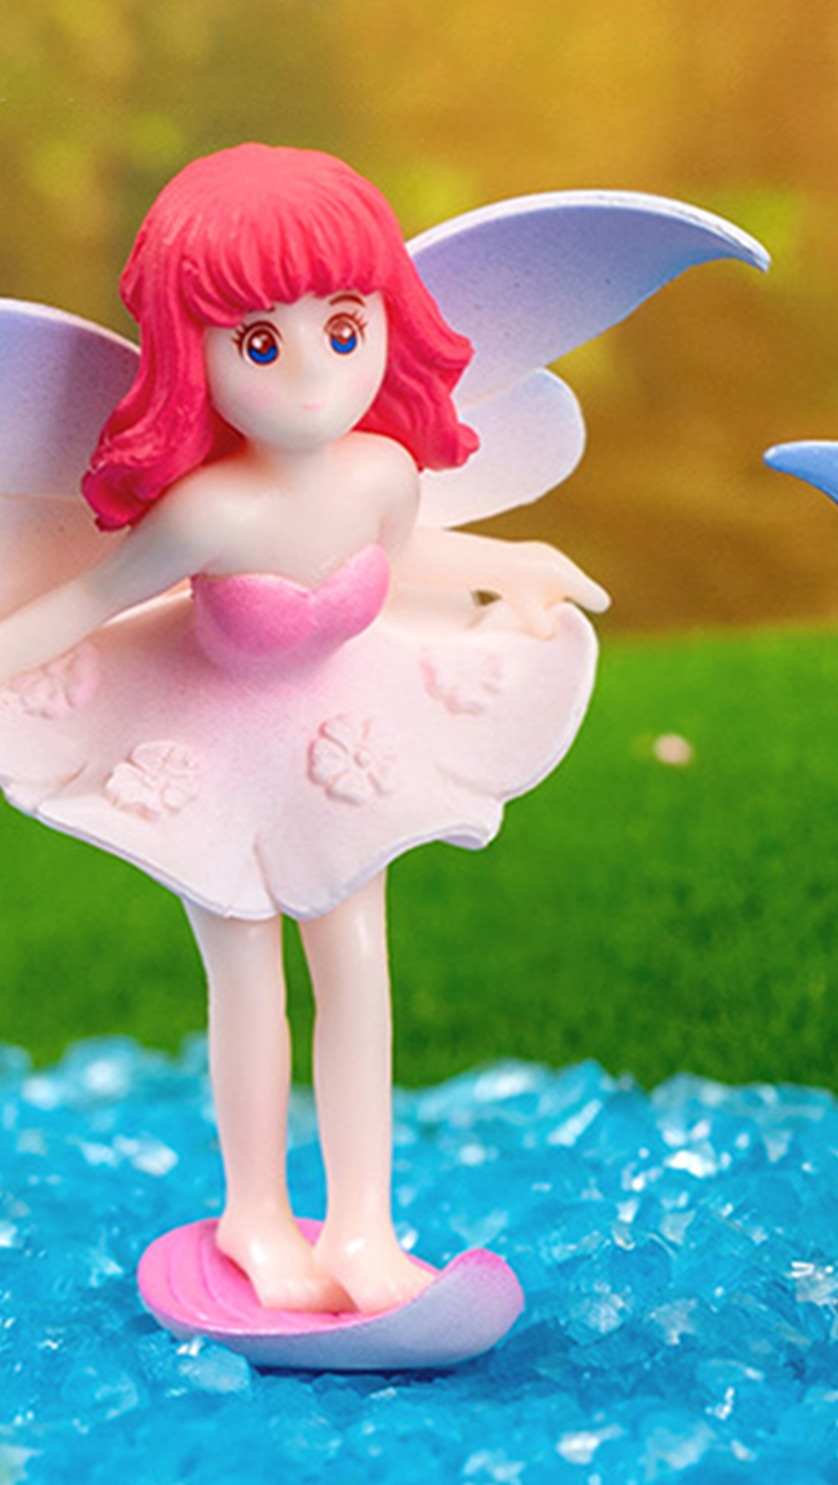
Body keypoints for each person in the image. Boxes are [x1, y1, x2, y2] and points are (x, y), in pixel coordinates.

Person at [0, 145, 608, 1316]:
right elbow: (87, 601)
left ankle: (364, 1225)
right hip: (204, 736)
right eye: (260, 344)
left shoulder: (380, 471)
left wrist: (518, 560)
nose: (316, 374)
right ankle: (257, 1215)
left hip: (342, 735)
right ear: (192, 356)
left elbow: (404, 558)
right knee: (246, 977)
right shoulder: (206, 511)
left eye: (343, 326)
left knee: (358, 969)